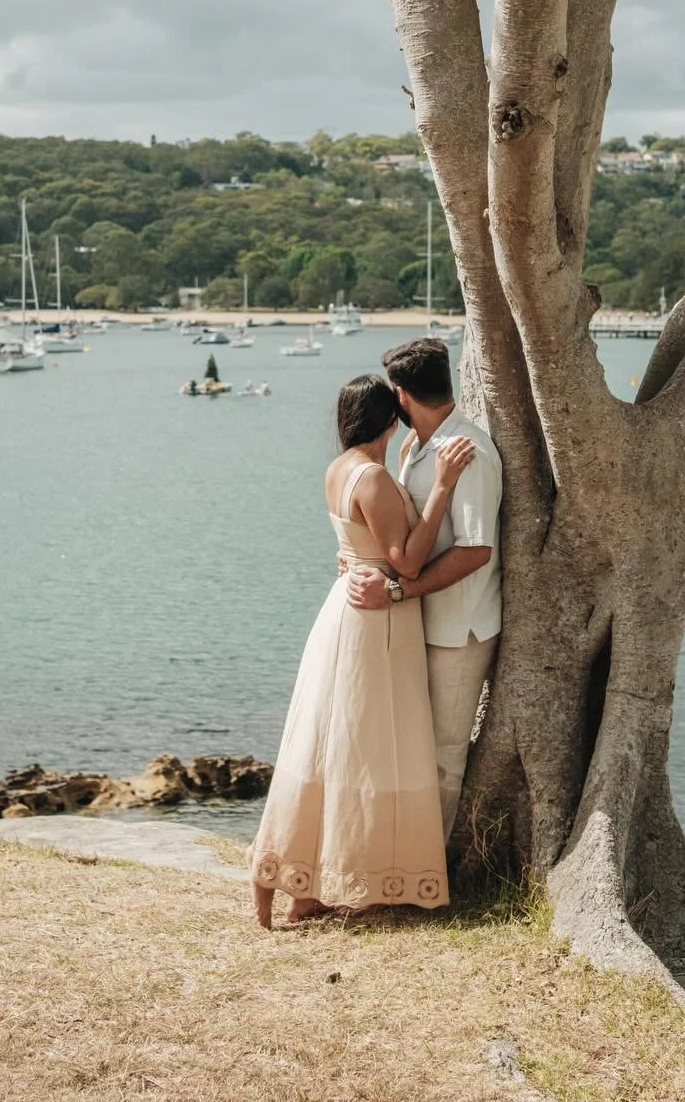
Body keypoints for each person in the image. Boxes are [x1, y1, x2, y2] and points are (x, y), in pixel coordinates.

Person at [248, 373, 476, 928]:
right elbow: (407, 561)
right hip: (379, 620)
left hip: (344, 611)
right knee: (374, 745)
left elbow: (359, 538)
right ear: (392, 418)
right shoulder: (372, 479)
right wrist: (442, 484)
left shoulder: (341, 468)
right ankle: (348, 878)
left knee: (327, 741)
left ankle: (304, 885)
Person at [346, 337, 502, 843]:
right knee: (408, 748)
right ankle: (402, 862)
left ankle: (430, 877)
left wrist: (396, 593)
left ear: (401, 396)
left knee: (442, 759)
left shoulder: (468, 451)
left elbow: (477, 550)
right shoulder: (417, 448)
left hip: (459, 628)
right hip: (419, 623)